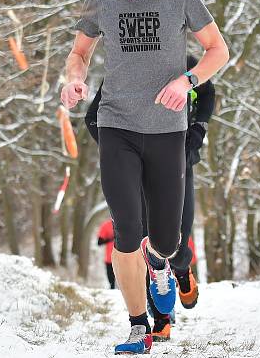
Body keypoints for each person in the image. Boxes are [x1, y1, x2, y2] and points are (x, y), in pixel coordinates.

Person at [60, 0, 229, 354]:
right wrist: (74, 81)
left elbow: (218, 50)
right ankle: (139, 327)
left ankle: (160, 265)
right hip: (118, 125)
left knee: (168, 240)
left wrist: (187, 80)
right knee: (126, 231)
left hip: (167, 131)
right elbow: (79, 53)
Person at [85, 54, 215, 341]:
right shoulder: (124, 67)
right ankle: (161, 320)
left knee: (177, 235)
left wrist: (198, 129)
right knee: (145, 241)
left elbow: (207, 93)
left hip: (180, 160)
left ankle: (182, 272)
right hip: (139, 169)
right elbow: (92, 117)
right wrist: (119, 154)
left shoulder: (185, 61)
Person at [97, 218, 116, 289]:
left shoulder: (126, 223)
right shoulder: (106, 225)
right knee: (111, 282)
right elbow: (99, 242)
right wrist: (111, 238)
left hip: (125, 257)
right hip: (110, 258)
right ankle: (112, 292)